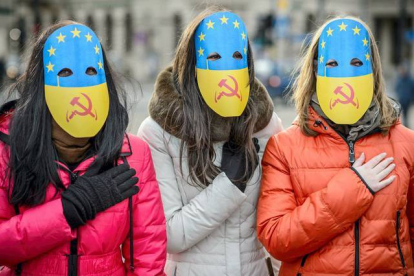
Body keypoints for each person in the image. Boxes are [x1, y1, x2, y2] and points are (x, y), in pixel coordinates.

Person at [0, 21, 166, 275]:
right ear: (40, 81)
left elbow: (148, 258)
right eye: (64, 73)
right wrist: (67, 210)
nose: (79, 84)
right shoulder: (8, 150)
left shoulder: (134, 155)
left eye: (90, 71)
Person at [257, 16, 414, 275]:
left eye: (356, 63)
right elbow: (276, 238)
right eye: (333, 63)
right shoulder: (284, 147)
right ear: (317, 70)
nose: (346, 74)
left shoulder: (406, 144)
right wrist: (352, 189)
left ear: (372, 69)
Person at [138, 7, 283, 276]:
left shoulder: (265, 125)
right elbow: (169, 234)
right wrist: (230, 185)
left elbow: (275, 226)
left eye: (237, 56)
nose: (225, 66)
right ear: (191, 62)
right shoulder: (157, 132)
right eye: (213, 56)